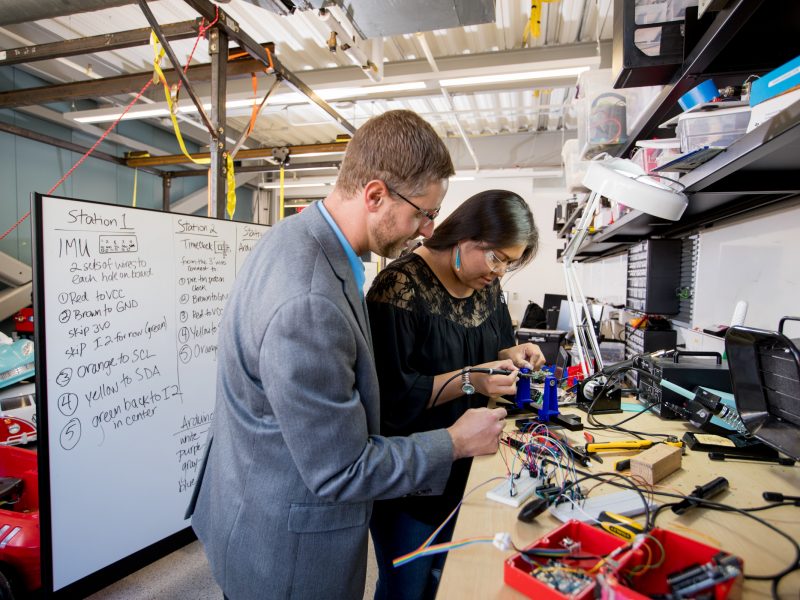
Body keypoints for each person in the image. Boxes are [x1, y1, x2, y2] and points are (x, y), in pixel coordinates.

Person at [189, 110, 511, 600]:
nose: (427, 230)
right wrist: (455, 442)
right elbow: (342, 469)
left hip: (251, 499)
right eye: (423, 212)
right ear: (376, 195)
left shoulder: (296, 239)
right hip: (285, 552)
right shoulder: (311, 300)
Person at [366, 189, 545, 600]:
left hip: (474, 463)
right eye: (497, 257)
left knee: (450, 580)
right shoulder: (398, 287)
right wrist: (472, 381)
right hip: (416, 471)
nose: (499, 271)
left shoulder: (486, 287)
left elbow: (493, 349)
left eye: (509, 264)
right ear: (465, 235)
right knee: (407, 588)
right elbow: (393, 396)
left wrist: (513, 353)